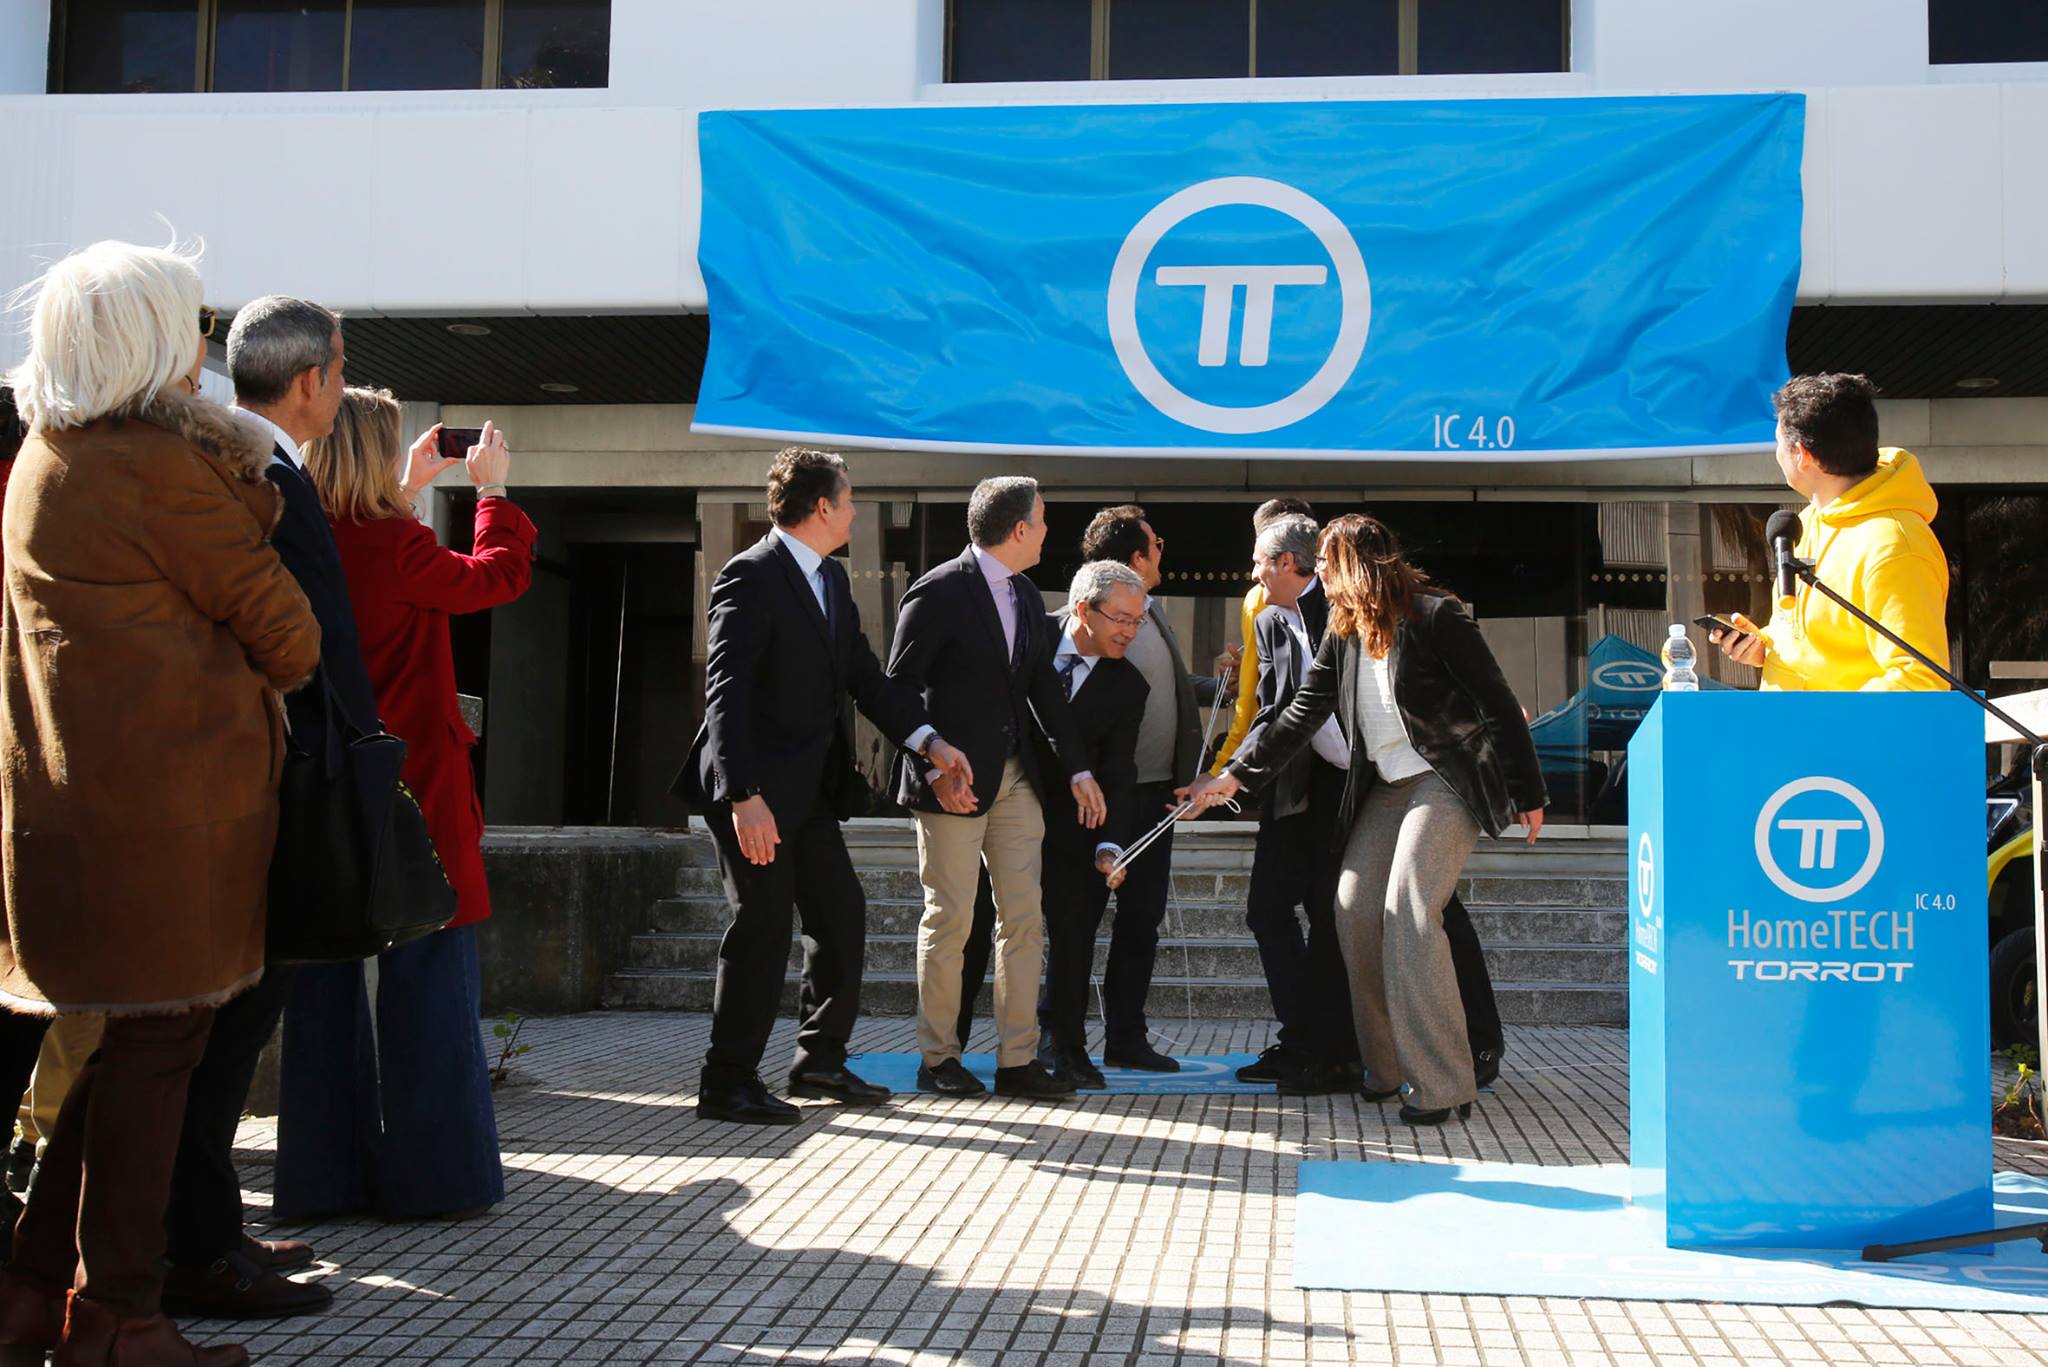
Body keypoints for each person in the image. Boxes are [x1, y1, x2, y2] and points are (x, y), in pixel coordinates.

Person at [0, 239, 321, 1366]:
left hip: (81, 812)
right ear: (147, 340)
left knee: (118, 1053)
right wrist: (239, 461)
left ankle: (36, 1290)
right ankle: (119, 1317)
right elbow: (289, 631)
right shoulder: (157, 463)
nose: (202, 350)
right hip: (174, 817)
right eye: (187, 325)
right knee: (157, 1061)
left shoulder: (52, 451)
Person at [160, 294, 377, 1320]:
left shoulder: (261, 461)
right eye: (341, 370)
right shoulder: (238, 470)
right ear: (312, 378)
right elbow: (291, 645)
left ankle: (209, 1222)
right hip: (268, 788)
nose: (341, 386)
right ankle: (192, 1244)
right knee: (220, 1026)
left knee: (236, 1028)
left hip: (283, 781)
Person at [1182, 515, 1545, 1126]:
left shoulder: (1435, 617)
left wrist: (1528, 791)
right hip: (1387, 786)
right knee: (1350, 907)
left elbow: (1499, 702)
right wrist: (1235, 778)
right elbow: (1300, 713)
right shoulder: (1345, 632)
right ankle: (1389, 1070)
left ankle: (1444, 1084)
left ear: (1352, 564)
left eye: (1324, 562)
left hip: (1445, 780)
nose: (1316, 572)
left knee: (1410, 907)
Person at [274, 387, 535, 1216]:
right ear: (375, 457)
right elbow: (494, 577)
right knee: (427, 983)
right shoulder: (395, 542)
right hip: (410, 790)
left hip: (314, 788)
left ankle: (320, 1178)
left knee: (320, 983)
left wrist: (410, 486)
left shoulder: (294, 537)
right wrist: (491, 495)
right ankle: (436, 1181)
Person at [674, 448, 973, 1124]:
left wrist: (929, 741)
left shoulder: (830, 582)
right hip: (749, 789)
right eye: (849, 498)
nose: (855, 510)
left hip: (805, 792)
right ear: (820, 508)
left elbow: (866, 678)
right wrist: (742, 793)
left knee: (840, 915)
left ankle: (819, 1060)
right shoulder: (749, 575)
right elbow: (725, 692)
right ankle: (727, 1080)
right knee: (762, 923)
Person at [887, 476, 1104, 1102]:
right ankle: (938, 1058)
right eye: (1041, 522)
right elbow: (896, 690)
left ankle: (1017, 1062)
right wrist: (931, 767)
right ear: (1017, 529)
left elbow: (1042, 689)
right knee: (951, 919)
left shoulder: (1028, 593)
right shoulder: (938, 591)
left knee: (1025, 921)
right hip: (950, 782)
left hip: (1016, 780)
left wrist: (1078, 769)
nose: (1046, 533)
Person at [1709, 373, 1950, 691]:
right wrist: (1765, 647)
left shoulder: (1894, 545)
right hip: (1796, 735)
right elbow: (1823, 648)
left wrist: (1826, 727)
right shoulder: (1809, 522)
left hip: (1842, 739)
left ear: (1801, 455)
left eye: (1778, 443)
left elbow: (1919, 679)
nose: (1776, 455)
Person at [1028, 562, 1151, 1089]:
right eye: (1120, 619)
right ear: (1082, 610)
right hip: (996, 804)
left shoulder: (1129, 685)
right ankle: (949, 1050)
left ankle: (1066, 1045)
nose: (1129, 631)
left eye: (1138, 621)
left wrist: (1110, 845)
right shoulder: (1027, 639)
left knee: (1074, 930)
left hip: (1075, 821)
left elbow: (1120, 771)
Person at [1208, 497, 1315, 776]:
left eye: (1259, 560)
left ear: (1286, 558)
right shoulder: (1265, 609)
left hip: (1290, 761)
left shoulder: (1260, 602)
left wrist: (1220, 769)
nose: (1254, 573)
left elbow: (1252, 703)